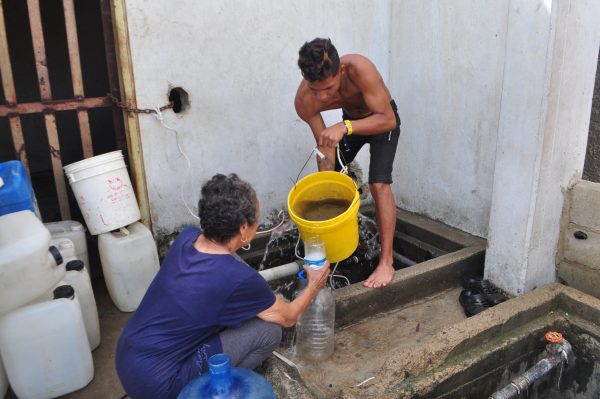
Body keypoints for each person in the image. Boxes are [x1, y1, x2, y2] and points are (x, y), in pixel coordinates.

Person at [116, 173, 330, 399]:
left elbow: (224, 274)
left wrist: (263, 299)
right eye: (257, 218)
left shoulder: (187, 238)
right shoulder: (238, 278)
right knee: (269, 331)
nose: (258, 223)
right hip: (161, 386)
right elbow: (289, 317)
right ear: (243, 228)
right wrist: (314, 284)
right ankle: (222, 391)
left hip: (127, 357)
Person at [294, 38, 401, 289]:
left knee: (378, 183)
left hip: (380, 120)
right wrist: (326, 184)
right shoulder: (304, 101)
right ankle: (344, 245)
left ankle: (386, 261)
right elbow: (325, 148)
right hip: (349, 124)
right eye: (315, 89)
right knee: (330, 182)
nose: (322, 96)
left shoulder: (359, 69)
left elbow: (388, 120)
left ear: (340, 71)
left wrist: (345, 127)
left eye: (329, 89)